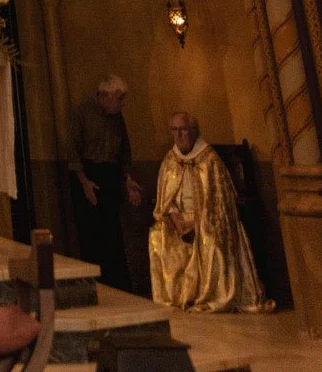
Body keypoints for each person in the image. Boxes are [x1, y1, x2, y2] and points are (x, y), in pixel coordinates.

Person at [149, 112, 271, 313]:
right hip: (178, 219)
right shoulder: (170, 160)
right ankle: (179, 297)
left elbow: (218, 203)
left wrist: (196, 222)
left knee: (209, 239)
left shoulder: (210, 160)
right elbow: (165, 200)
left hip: (207, 219)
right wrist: (175, 218)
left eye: (183, 130)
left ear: (194, 131)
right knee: (157, 236)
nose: (178, 135)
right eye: (174, 130)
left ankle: (209, 296)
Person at [70, 74, 142, 290]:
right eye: (119, 99)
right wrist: (84, 182)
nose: (122, 104)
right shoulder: (83, 112)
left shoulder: (117, 118)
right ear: (106, 96)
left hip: (111, 177)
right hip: (89, 176)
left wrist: (127, 179)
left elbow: (124, 152)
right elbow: (73, 150)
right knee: (92, 236)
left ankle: (119, 285)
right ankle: (98, 285)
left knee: (114, 235)